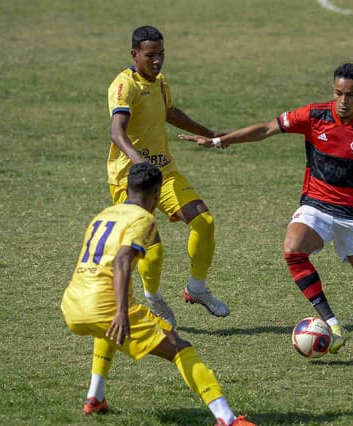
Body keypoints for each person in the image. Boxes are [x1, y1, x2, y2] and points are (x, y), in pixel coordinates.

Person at [181, 63, 353, 353]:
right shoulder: (315, 115)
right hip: (316, 204)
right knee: (293, 249)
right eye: (339, 93)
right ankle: (332, 324)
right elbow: (266, 128)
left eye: (351, 94)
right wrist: (218, 140)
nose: (344, 101)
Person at [84, 25, 231, 417]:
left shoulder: (161, 82)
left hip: (165, 171)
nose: (157, 59)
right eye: (150, 54)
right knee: (151, 247)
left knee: (205, 221)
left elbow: (168, 113)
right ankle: (151, 298)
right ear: (134, 54)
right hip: (130, 178)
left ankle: (196, 287)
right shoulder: (123, 86)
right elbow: (117, 132)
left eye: (161, 52)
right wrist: (139, 164)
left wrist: (210, 133)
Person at [61, 162, 255, 426]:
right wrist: (120, 311)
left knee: (106, 328)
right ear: (156, 192)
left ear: (127, 188)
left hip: (73, 304)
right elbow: (121, 261)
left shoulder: (103, 215)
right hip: (105, 305)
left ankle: (95, 397)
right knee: (180, 348)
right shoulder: (144, 219)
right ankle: (228, 419)